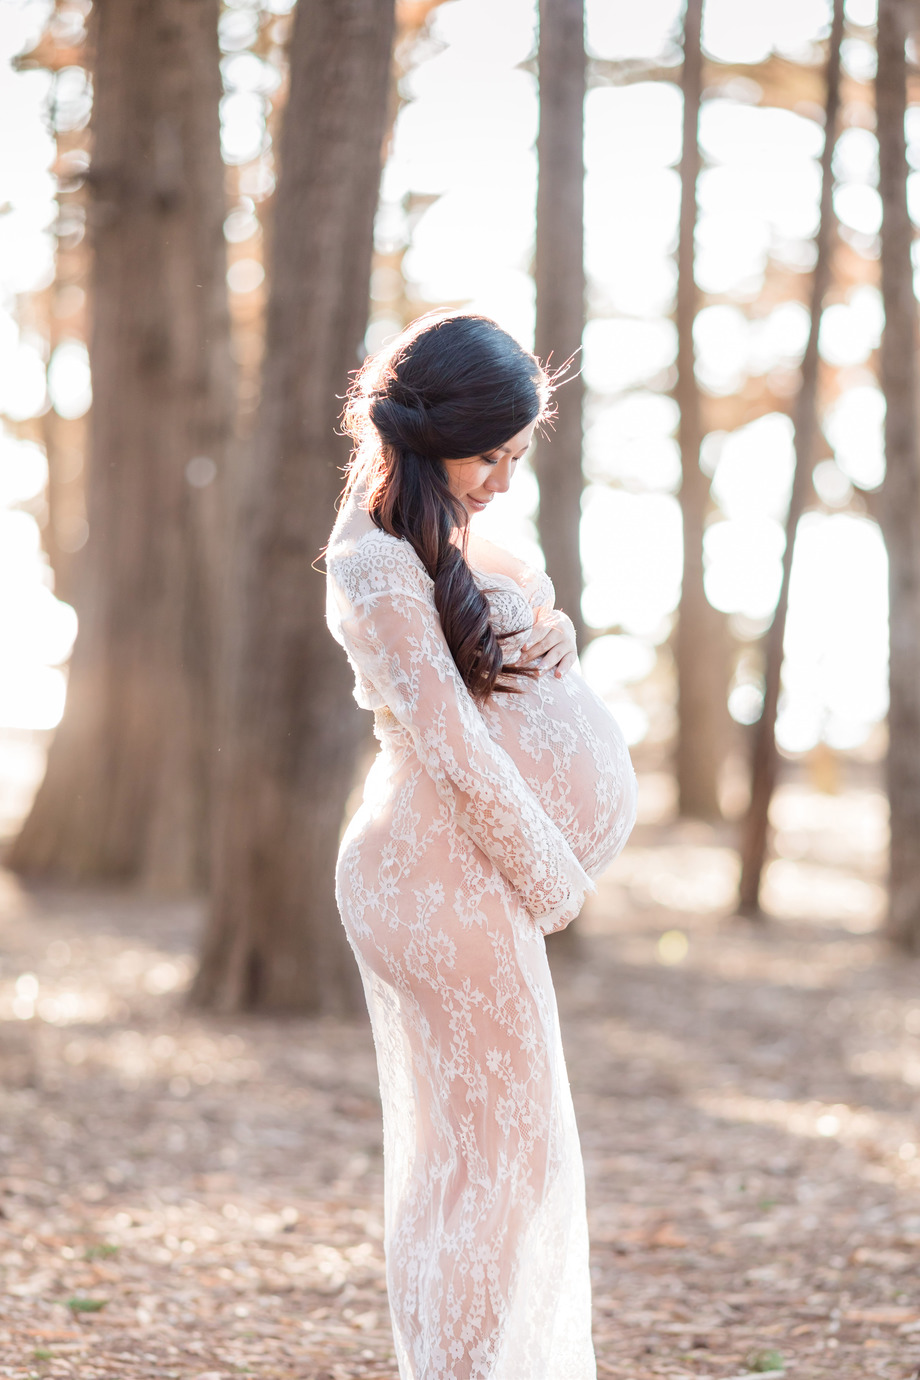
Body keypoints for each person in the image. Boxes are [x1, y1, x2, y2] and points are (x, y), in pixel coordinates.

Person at [324, 312, 638, 1380]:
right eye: (487, 452)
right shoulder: (370, 562)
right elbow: (450, 745)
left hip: (460, 874)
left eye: (517, 453)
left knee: (483, 1157)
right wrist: (553, 882)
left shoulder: (454, 531)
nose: (503, 476)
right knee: (496, 1161)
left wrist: (561, 635)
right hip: (436, 875)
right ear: (426, 432)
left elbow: (519, 632)